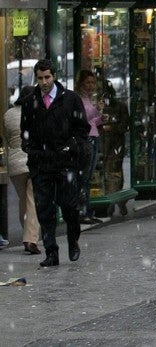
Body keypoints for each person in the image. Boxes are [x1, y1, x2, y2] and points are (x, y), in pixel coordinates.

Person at [20, 59, 90, 267]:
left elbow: (82, 129)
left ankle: (72, 239)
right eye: (40, 78)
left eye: (47, 77)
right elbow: (25, 129)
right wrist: (30, 148)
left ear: (54, 76)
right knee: (44, 209)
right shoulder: (30, 101)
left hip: (65, 162)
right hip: (41, 163)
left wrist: (73, 146)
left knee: (69, 206)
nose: (43, 82)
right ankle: (51, 251)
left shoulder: (69, 99)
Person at [3, 86, 41, 254]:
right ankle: (30, 239)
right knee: (32, 200)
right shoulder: (35, 112)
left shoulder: (8, 114)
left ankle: (27, 233)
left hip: (15, 165)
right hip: (32, 160)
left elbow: (6, 138)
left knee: (23, 200)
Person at [75, 70, 107, 224]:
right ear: (81, 83)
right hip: (87, 139)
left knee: (87, 177)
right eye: (87, 82)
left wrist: (101, 119)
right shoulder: (79, 99)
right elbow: (83, 118)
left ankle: (86, 209)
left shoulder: (88, 99)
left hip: (93, 137)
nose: (90, 86)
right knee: (84, 177)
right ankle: (82, 211)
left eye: (92, 83)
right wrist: (98, 110)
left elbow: (92, 121)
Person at [98, 80, 130, 215]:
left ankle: (115, 201)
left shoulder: (119, 107)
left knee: (114, 174)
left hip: (114, 145)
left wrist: (111, 127)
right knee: (108, 174)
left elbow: (124, 125)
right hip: (105, 146)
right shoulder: (100, 107)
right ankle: (113, 200)